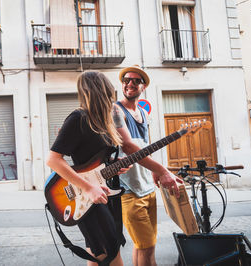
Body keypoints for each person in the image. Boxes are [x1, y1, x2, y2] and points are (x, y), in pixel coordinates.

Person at [46, 71, 131, 266]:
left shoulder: (101, 122)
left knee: (99, 253)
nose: (112, 94)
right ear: (102, 90)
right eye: (109, 90)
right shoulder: (78, 119)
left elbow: (93, 161)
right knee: (109, 253)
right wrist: (87, 187)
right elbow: (53, 160)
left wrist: (113, 168)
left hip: (100, 192)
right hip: (85, 196)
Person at [113, 65, 181, 266]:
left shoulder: (143, 112)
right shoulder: (116, 110)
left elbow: (145, 146)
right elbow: (128, 146)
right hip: (129, 190)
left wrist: (153, 172)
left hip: (147, 188)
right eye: (126, 79)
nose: (130, 83)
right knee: (147, 247)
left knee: (143, 245)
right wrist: (161, 170)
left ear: (143, 87)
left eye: (136, 81)